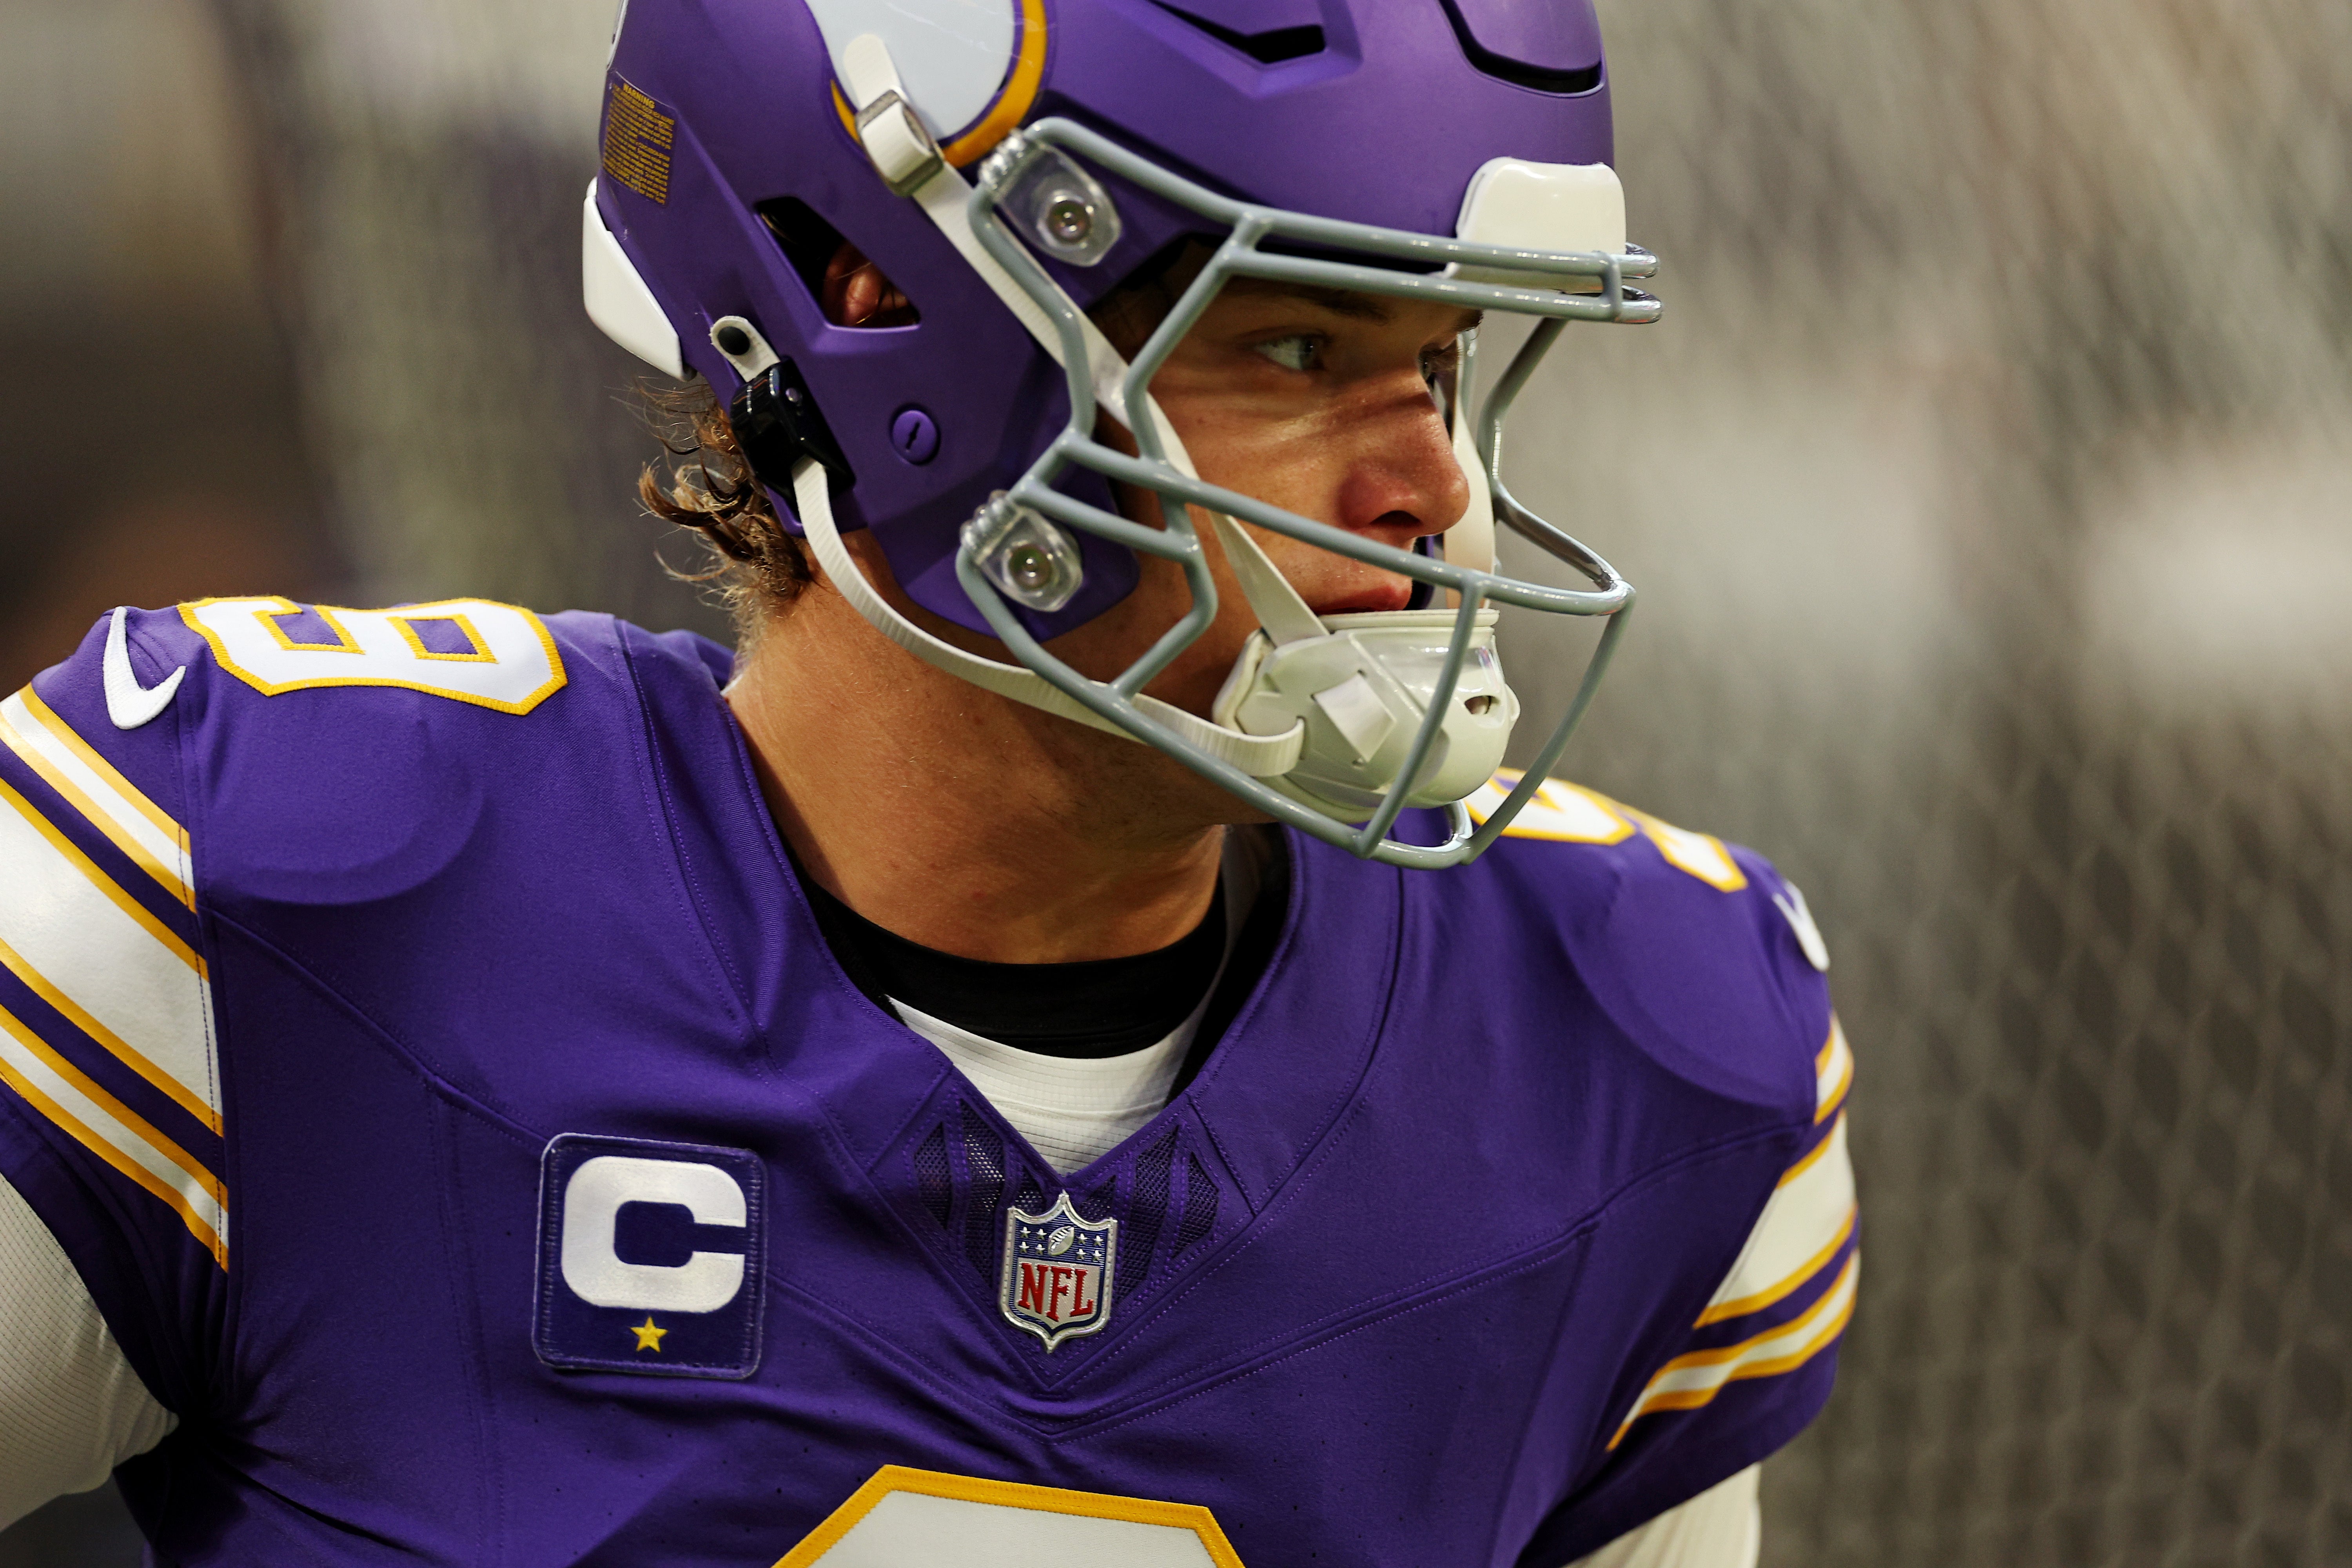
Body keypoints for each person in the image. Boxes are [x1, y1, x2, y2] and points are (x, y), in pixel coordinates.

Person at [0, 0, 1857, 1561]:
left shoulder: (1634, 1054)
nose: (1433, 487)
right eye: (1298, 344)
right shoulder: (283, 894)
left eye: (1440, 362)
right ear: (880, 306)